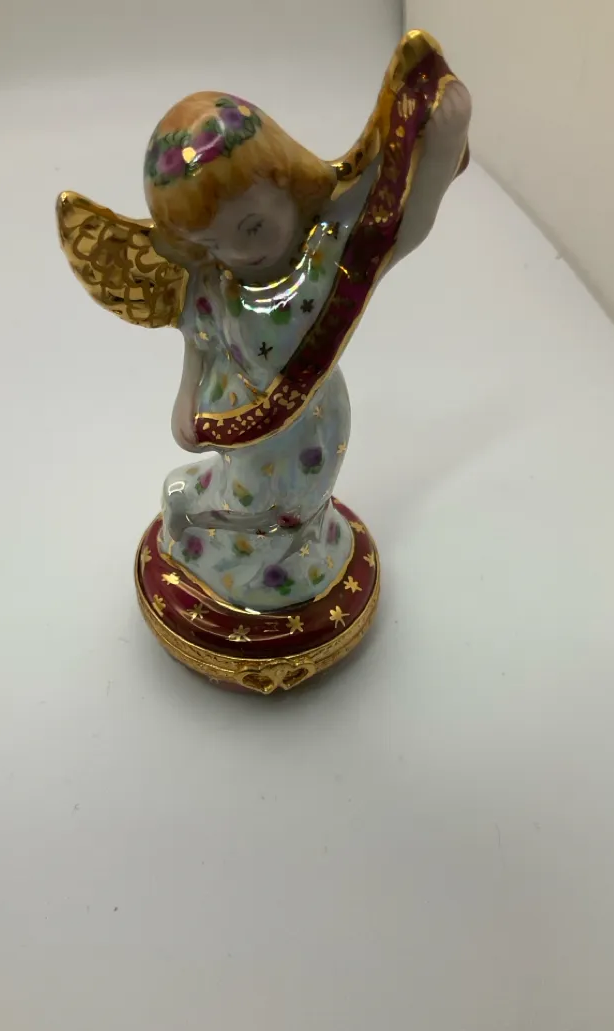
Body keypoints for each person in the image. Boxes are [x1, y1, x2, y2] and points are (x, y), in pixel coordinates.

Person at [59, 30, 471, 612]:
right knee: (247, 501)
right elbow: (199, 341)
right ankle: (220, 539)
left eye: (249, 227)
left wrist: (448, 136)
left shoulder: (327, 257)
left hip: (312, 424)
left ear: (287, 182)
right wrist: (185, 401)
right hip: (243, 428)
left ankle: (282, 557)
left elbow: (406, 225)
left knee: (296, 506)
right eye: (213, 242)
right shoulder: (214, 282)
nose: (236, 252)